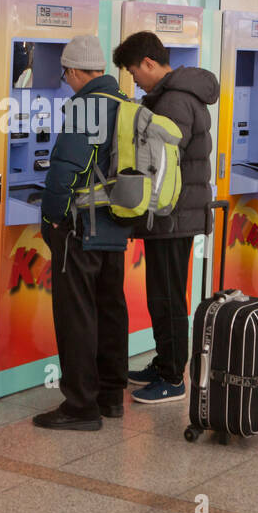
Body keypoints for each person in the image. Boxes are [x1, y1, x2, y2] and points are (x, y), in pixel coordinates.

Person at [112, 31, 219, 404]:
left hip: (172, 215)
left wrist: (143, 206)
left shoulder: (173, 101)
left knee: (168, 297)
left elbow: (160, 165)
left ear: (149, 63)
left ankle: (173, 377)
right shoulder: (180, 95)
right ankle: (164, 363)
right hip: (178, 212)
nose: (134, 79)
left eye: (133, 71)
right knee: (165, 294)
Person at [35, 35, 130, 431]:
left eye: (65, 74)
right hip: (116, 225)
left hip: (82, 227)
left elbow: (66, 168)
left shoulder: (87, 107)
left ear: (75, 71)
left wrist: (53, 217)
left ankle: (79, 405)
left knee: (77, 315)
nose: (66, 81)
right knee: (110, 308)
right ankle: (110, 396)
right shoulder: (125, 103)